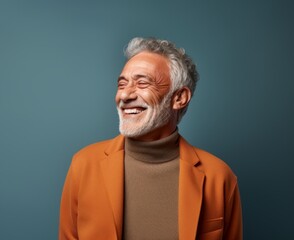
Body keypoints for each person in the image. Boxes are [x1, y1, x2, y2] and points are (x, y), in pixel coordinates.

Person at [59, 37, 242, 240]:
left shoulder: (219, 176)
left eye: (142, 83)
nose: (125, 95)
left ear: (179, 98)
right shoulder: (83, 165)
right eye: (122, 84)